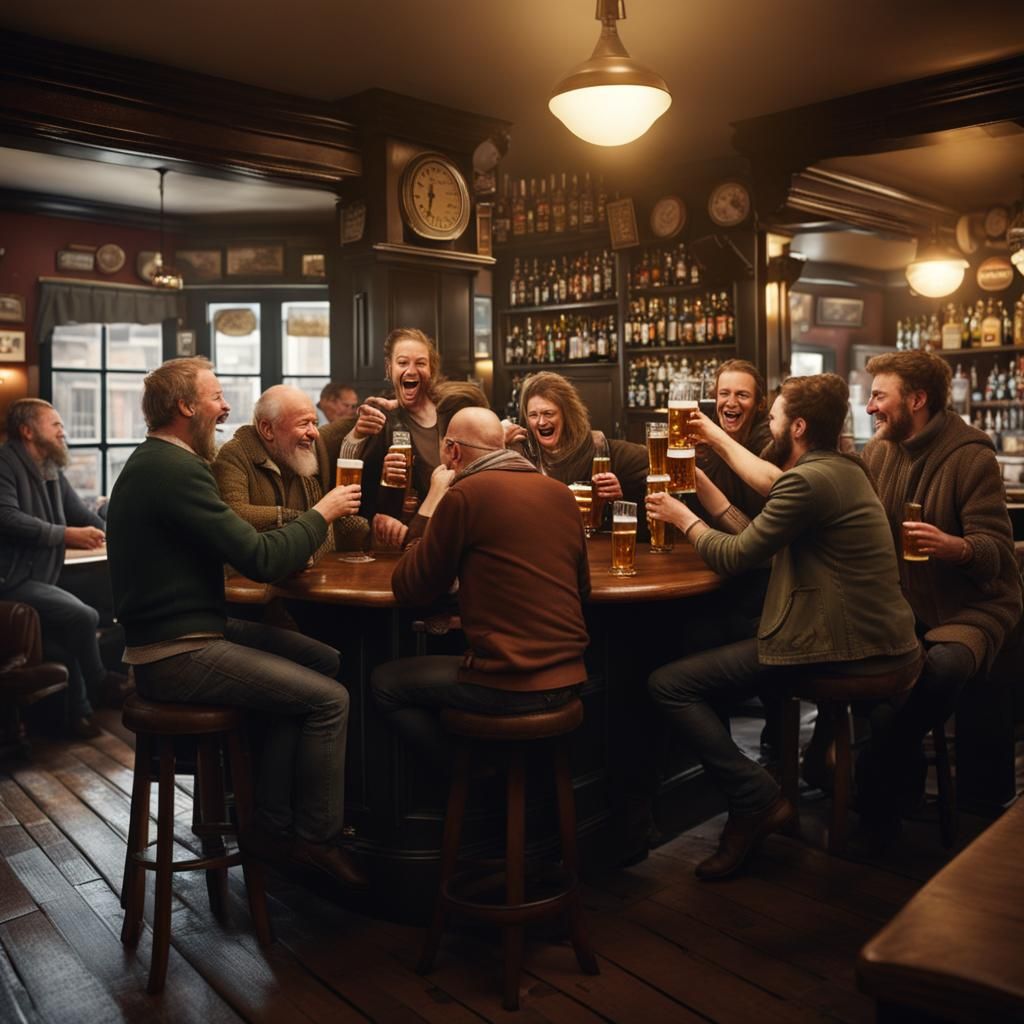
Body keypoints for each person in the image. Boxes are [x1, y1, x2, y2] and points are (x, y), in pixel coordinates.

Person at [105, 357, 367, 888]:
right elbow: (262, 560)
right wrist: (324, 513)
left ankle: (271, 825)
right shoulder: (176, 470)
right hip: (175, 652)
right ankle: (315, 840)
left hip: (185, 633)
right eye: (217, 396)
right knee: (330, 698)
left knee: (324, 660)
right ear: (185, 406)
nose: (226, 408)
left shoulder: (157, 462)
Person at [645, 374, 920, 879]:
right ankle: (763, 791)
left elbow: (734, 554)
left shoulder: (808, 480)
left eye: (772, 416)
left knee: (669, 685)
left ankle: (756, 797)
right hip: (875, 634)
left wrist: (681, 518)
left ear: (796, 426)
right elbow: (762, 496)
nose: (766, 424)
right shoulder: (844, 468)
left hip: (844, 643)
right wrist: (706, 462)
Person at [857, 349, 1022, 832]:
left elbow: (996, 552)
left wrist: (953, 546)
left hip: (976, 606)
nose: (869, 407)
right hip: (909, 606)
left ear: (918, 399)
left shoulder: (971, 455)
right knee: (863, 664)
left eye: (878, 396)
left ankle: (878, 774)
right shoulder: (878, 452)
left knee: (943, 666)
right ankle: (898, 788)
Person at [371, 407, 590, 770]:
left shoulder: (464, 495)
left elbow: (410, 587)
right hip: (572, 676)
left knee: (385, 683)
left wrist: (435, 498)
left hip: (509, 682)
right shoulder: (561, 494)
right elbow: (583, 589)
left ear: (452, 452)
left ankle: (474, 781)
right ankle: (504, 786)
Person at [0, 398, 128, 737]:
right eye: (55, 425)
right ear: (28, 431)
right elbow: (6, 518)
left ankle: (78, 717)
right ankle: (101, 683)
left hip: (41, 578)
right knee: (84, 616)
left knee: (69, 640)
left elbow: (81, 514)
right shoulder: (4, 463)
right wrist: (65, 535)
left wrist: (112, 535)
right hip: (10, 581)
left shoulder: (50, 466)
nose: (63, 431)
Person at [339, 327, 443, 548]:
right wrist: (384, 477)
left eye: (421, 363)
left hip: (450, 526)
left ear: (432, 369)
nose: (411, 370)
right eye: (403, 363)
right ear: (389, 368)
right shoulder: (382, 417)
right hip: (406, 535)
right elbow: (358, 495)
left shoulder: (450, 412)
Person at [507, 371, 648, 529]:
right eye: (533, 415)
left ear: (567, 415)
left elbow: (656, 473)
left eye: (548, 413)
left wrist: (619, 497)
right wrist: (497, 440)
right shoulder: (520, 455)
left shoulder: (601, 450)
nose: (541, 422)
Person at [213, 384, 335, 564]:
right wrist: (298, 517)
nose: (314, 433)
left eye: (315, 423)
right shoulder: (234, 455)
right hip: (249, 581)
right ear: (267, 429)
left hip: (298, 579)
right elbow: (234, 514)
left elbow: (325, 531)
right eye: (303, 423)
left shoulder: (300, 456)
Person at [698, 359, 772, 520]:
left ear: (760, 404)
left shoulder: (769, 441)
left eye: (742, 395)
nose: (731, 403)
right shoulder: (703, 438)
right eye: (724, 394)